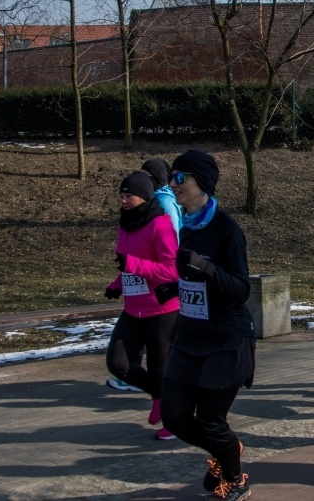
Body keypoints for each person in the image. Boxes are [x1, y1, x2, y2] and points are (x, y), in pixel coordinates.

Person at [159, 150, 254, 501]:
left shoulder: (227, 230)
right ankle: (226, 448)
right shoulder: (185, 225)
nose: (173, 184)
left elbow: (241, 289)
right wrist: (176, 285)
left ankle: (235, 476)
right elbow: (192, 277)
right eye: (172, 177)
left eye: (180, 178)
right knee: (174, 416)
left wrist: (208, 270)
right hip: (192, 336)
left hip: (227, 337)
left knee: (212, 419)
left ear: (203, 183)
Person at [105, 172, 180, 440]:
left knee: (162, 370)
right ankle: (159, 395)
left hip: (162, 310)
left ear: (144, 197)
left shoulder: (161, 225)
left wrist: (132, 266)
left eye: (129, 196)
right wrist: (117, 284)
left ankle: (173, 422)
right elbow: (128, 264)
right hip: (133, 309)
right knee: (118, 363)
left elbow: (172, 271)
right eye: (121, 196)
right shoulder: (124, 225)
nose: (123, 201)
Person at [142, 157, 183, 237]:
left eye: (146, 175)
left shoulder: (165, 201)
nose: (142, 179)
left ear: (158, 176)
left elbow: (173, 236)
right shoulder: (151, 197)